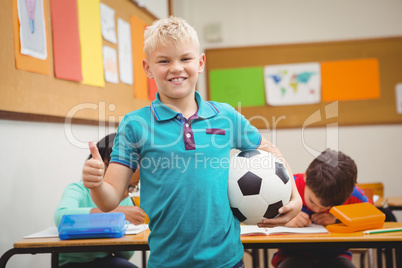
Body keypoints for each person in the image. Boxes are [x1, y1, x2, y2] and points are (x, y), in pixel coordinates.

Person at [82, 16, 302, 268]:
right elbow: (109, 199)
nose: (176, 68)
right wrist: (96, 184)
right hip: (167, 263)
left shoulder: (226, 116)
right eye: (164, 61)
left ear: (200, 63)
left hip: (227, 261)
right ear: (148, 68)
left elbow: (269, 150)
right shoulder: (135, 124)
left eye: (185, 59)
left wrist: (295, 198)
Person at [55, 133, 145, 268]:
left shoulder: (126, 200)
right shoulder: (78, 190)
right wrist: (117, 214)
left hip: (108, 260)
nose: (125, 193)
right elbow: (61, 217)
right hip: (72, 262)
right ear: (102, 166)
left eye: (131, 186)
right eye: (122, 182)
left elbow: (126, 254)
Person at [272, 148, 370, 268]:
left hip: (336, 256)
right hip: (292, 255)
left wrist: (338, 219)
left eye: (328, 207)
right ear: (306, 177)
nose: (317, 210)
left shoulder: (351, 194)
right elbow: (258, 217)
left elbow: (372, 215)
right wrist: (285, 220)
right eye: (312, 201)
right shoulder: (288, 186)